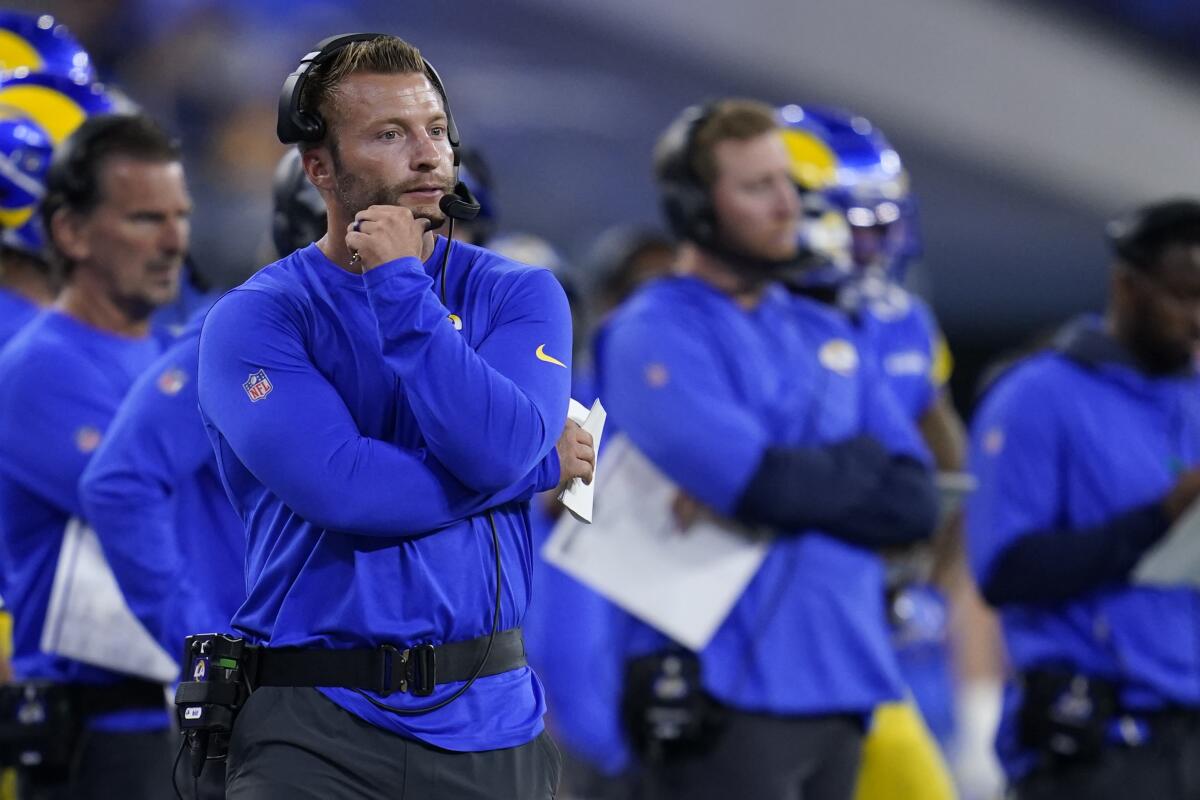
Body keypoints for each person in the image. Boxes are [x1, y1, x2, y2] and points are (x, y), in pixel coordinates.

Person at [196, 33, 592, 798]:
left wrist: (404, 290)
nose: (427, 155)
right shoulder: (255, 320)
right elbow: (350, 491)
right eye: (388, 134)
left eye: (436, 130)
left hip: (497, 724)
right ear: (319, 168)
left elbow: (494, 446)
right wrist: (536, 466)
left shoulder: (522, 293)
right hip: (315, 730)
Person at [596, 98, 938, 800]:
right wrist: (856, 466)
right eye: (758, 187)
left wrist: (802, 480)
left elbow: (915, 501)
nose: (789, 206)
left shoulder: (823, 329)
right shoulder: (651, 331)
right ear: (695, 207)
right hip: (723, 692)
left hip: (846, 683)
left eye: (788, 183)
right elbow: (759, 487)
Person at [966, 199, 1200, 799]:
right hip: (1095, 748)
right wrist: (1161, 518)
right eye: (1186, 296)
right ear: (1127, 286)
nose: (1199, 318)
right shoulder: (1037, 398)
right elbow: (1007, 570)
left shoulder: (1194, 398)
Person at [0, 112, 190, 799]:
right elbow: (159, 506)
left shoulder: (160, 355)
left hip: (167, 721)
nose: (174, 240)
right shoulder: (38, 369)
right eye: (145, 219)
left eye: (181, 215)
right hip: (95, 741)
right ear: (70, 232)